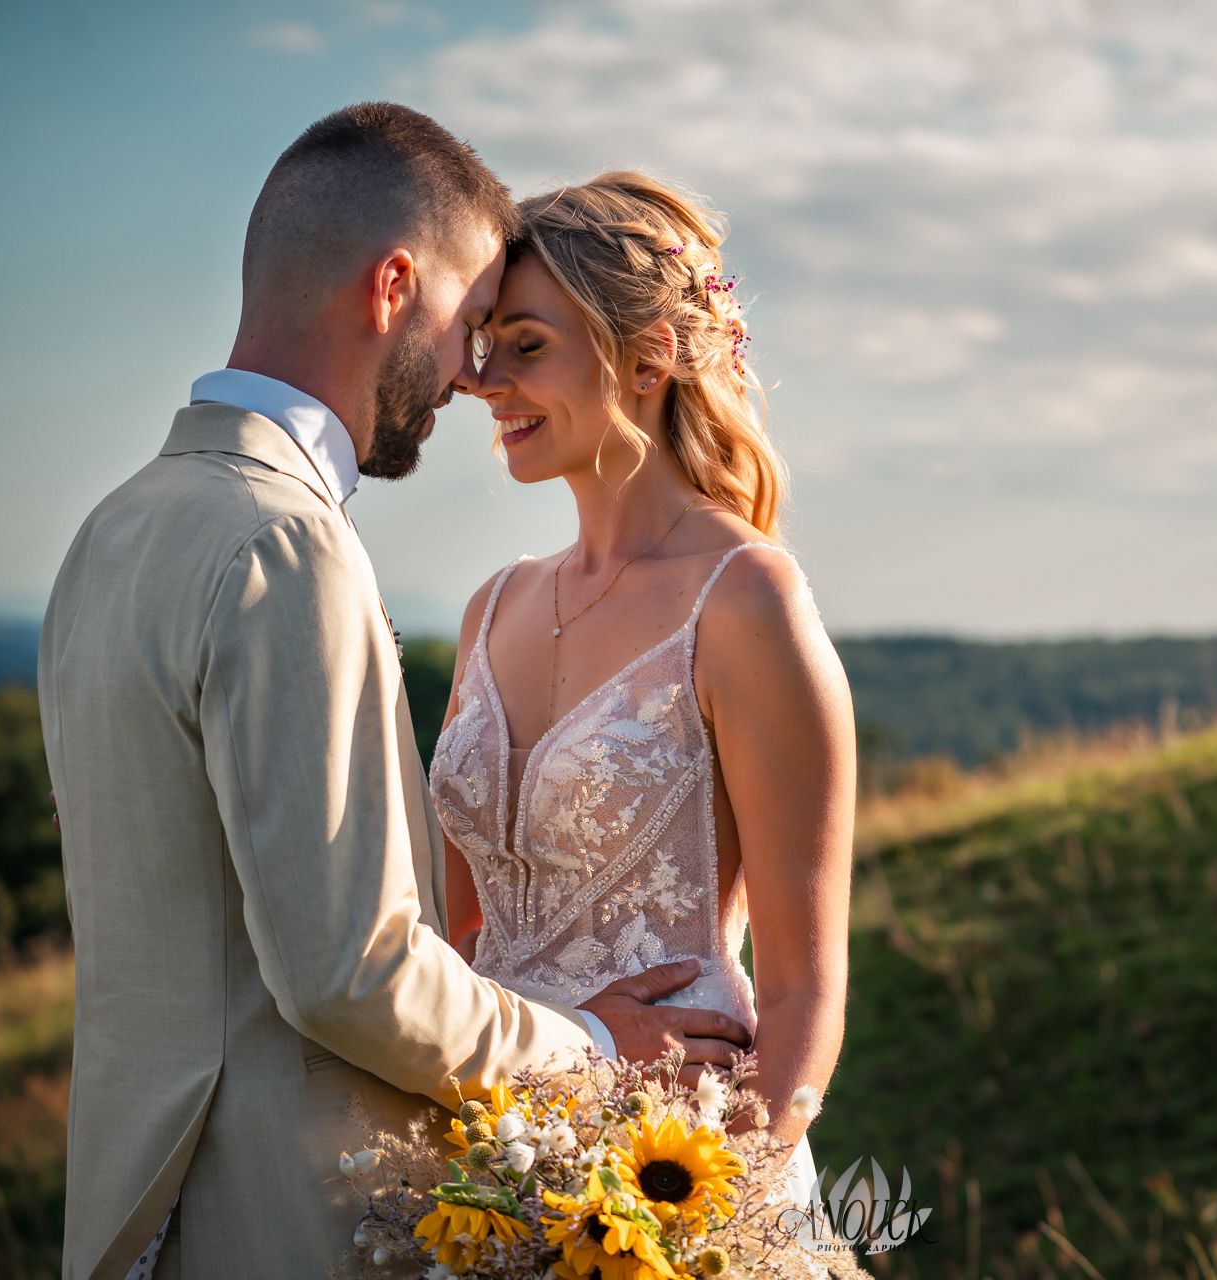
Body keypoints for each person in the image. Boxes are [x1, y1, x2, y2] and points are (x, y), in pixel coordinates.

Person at [38, 105, 747, 1279]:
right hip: (271, 1215)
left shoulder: (112, 530)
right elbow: (348, 972)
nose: (474, 373)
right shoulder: (282, 545)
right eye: (473, 320)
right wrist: (589, 1042)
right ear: (391, 288)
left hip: (126, 1217)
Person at [430, 172, 857, 1204]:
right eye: (486, 347)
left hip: (681, 1165)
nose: (488, 383)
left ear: (649, 356)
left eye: (527, 346)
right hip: (492, 1164)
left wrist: (705, 1223)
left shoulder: (743, 598)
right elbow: (458, 943)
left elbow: (805, 986)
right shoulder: (492, 606)